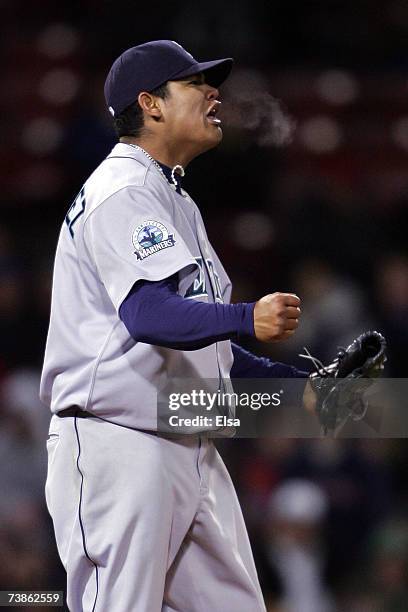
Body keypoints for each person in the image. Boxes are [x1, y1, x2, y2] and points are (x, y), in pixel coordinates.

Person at [40, 40, 311, 612]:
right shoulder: (124, 189)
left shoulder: (171, 196)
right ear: (151, 104)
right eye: (195, 84)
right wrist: (247, 317)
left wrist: (302, 390)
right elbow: (150, 316)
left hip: (185, 440)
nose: (214, 93)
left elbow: (209, 353)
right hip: (119, 443)